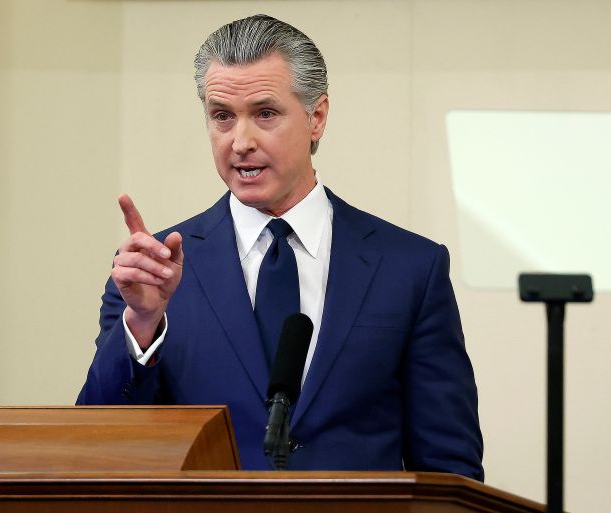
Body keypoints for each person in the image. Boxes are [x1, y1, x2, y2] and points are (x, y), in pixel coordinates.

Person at [77, 14, 484, 479]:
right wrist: (144, 323)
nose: (240, 142)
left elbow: (450, 471)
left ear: (317, 117)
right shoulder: (151, 273)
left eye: (265, 114)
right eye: (222, 116)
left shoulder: (410, 268)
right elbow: (103, 443)